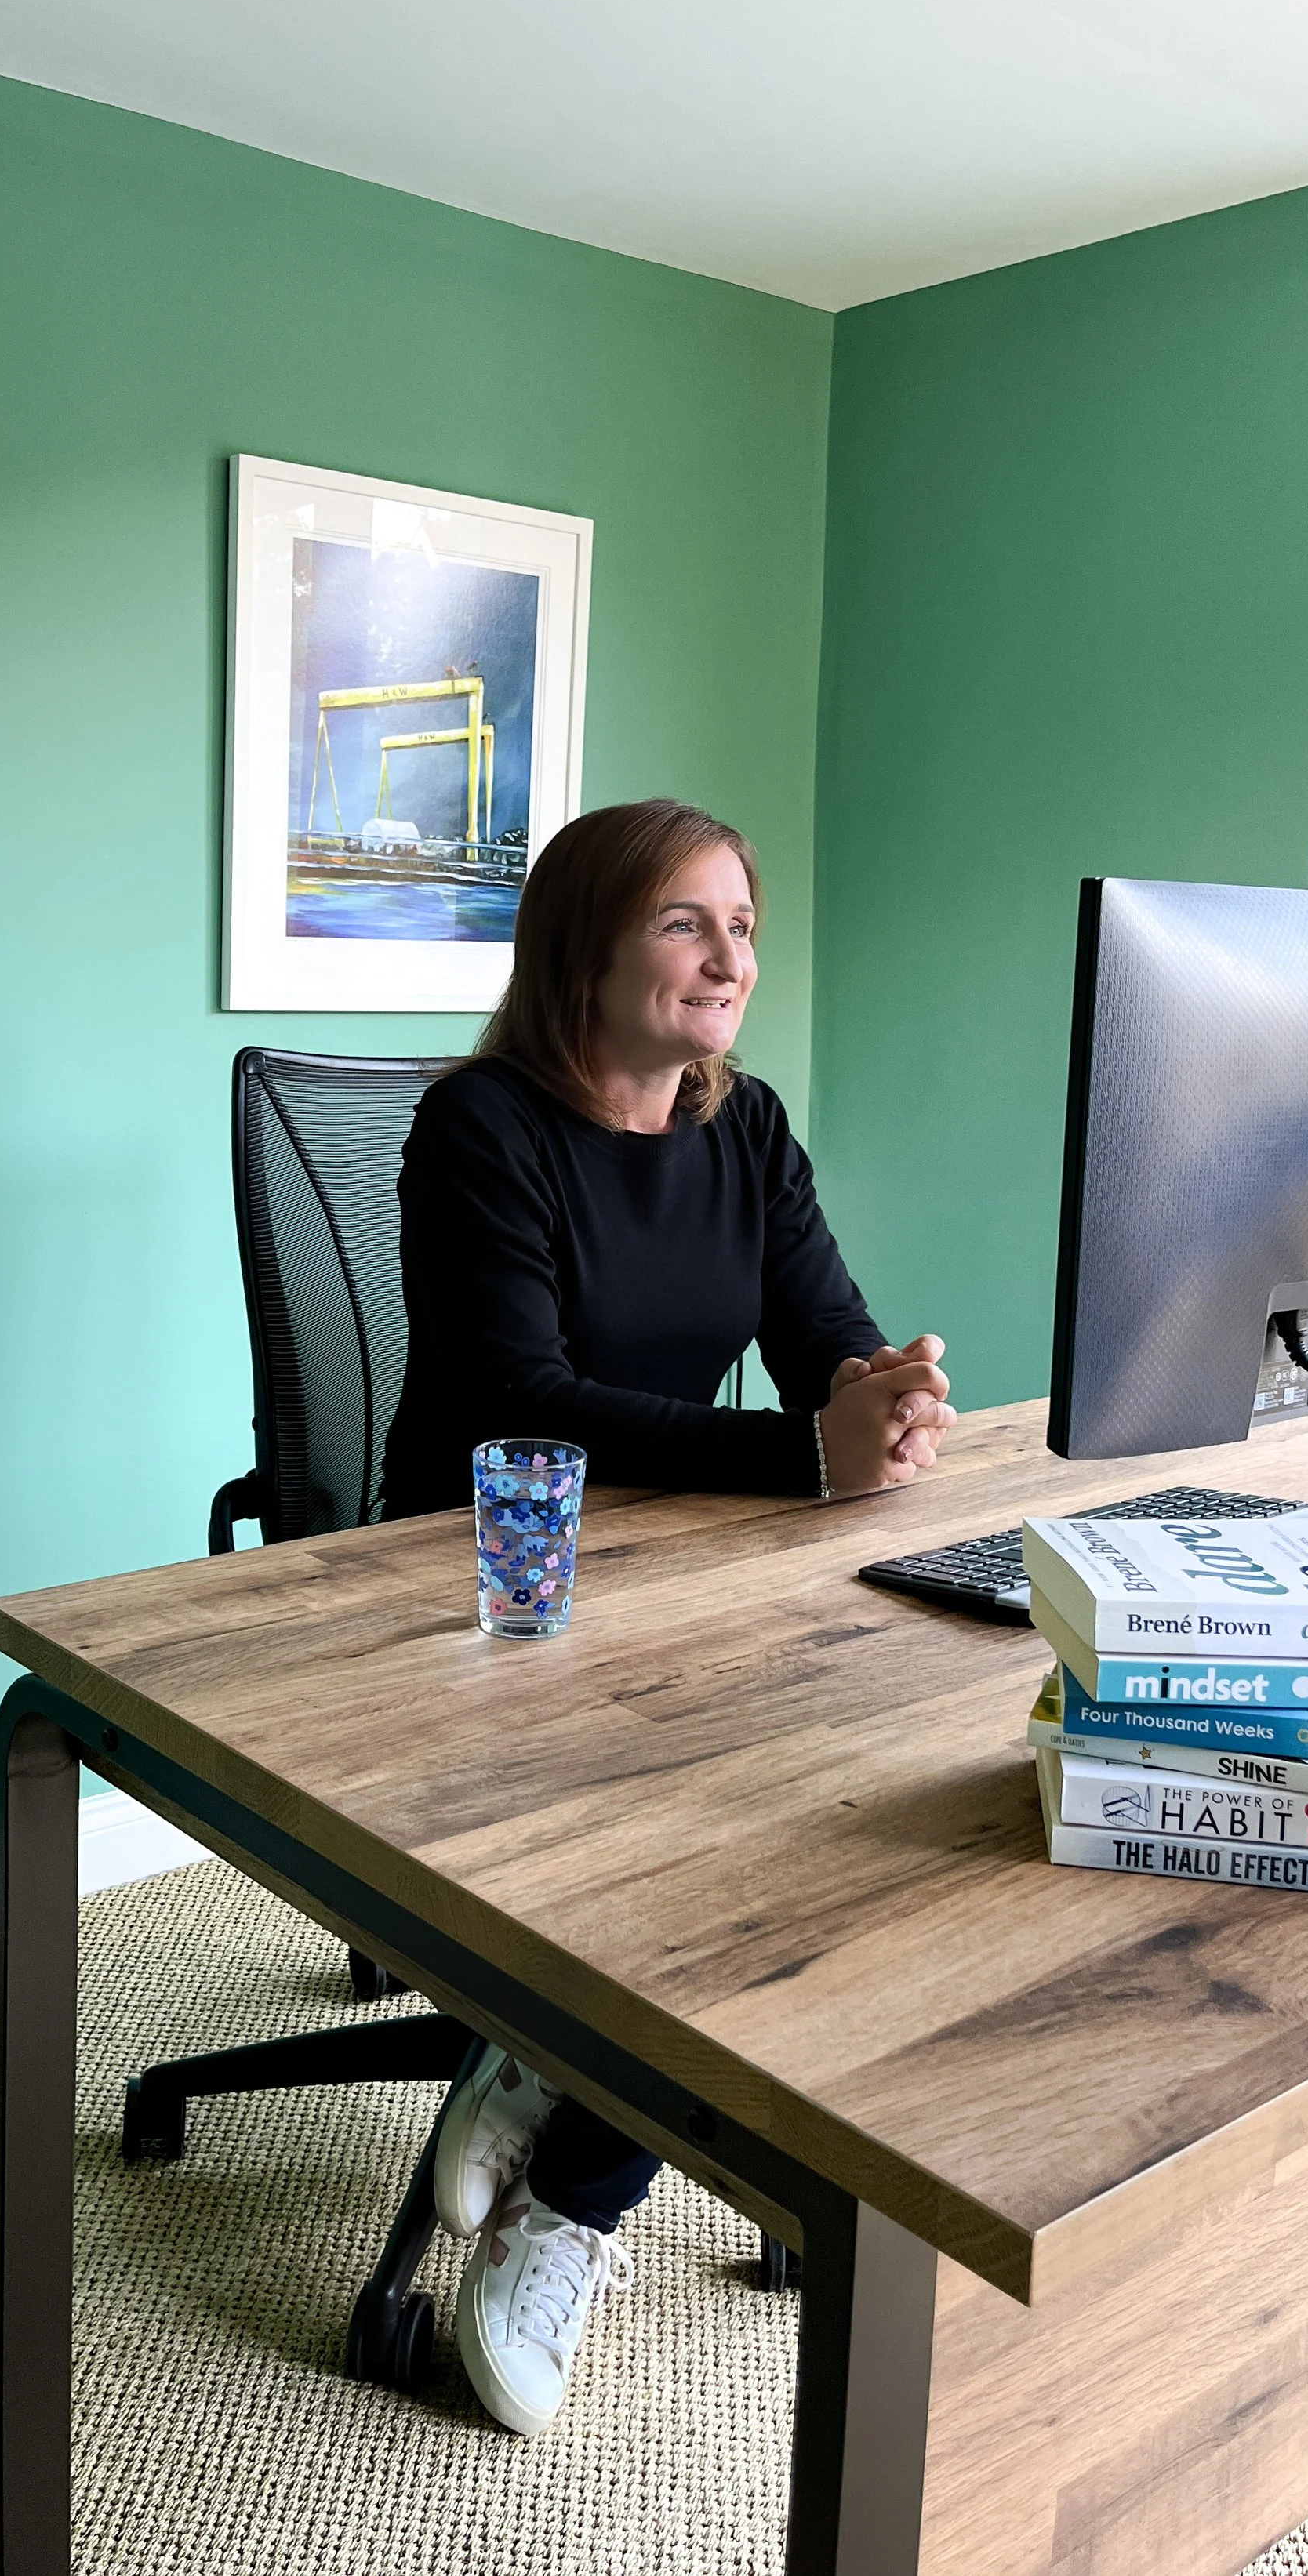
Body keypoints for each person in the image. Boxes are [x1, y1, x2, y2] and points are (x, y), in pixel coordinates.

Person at [377, 797, 955, 2436]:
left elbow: (820, 1341)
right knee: (730, 1847)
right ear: (586, 948)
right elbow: (519, 1395)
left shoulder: (743, 1128)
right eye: (686, 925)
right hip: (479, 1583)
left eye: (743, 927)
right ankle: (580, 2195)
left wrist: (879, 1399)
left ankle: (549, 2068)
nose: (731, 959)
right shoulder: (478, 1129)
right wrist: (803, 1456)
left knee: (847, 1790)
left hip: (683, 1575)